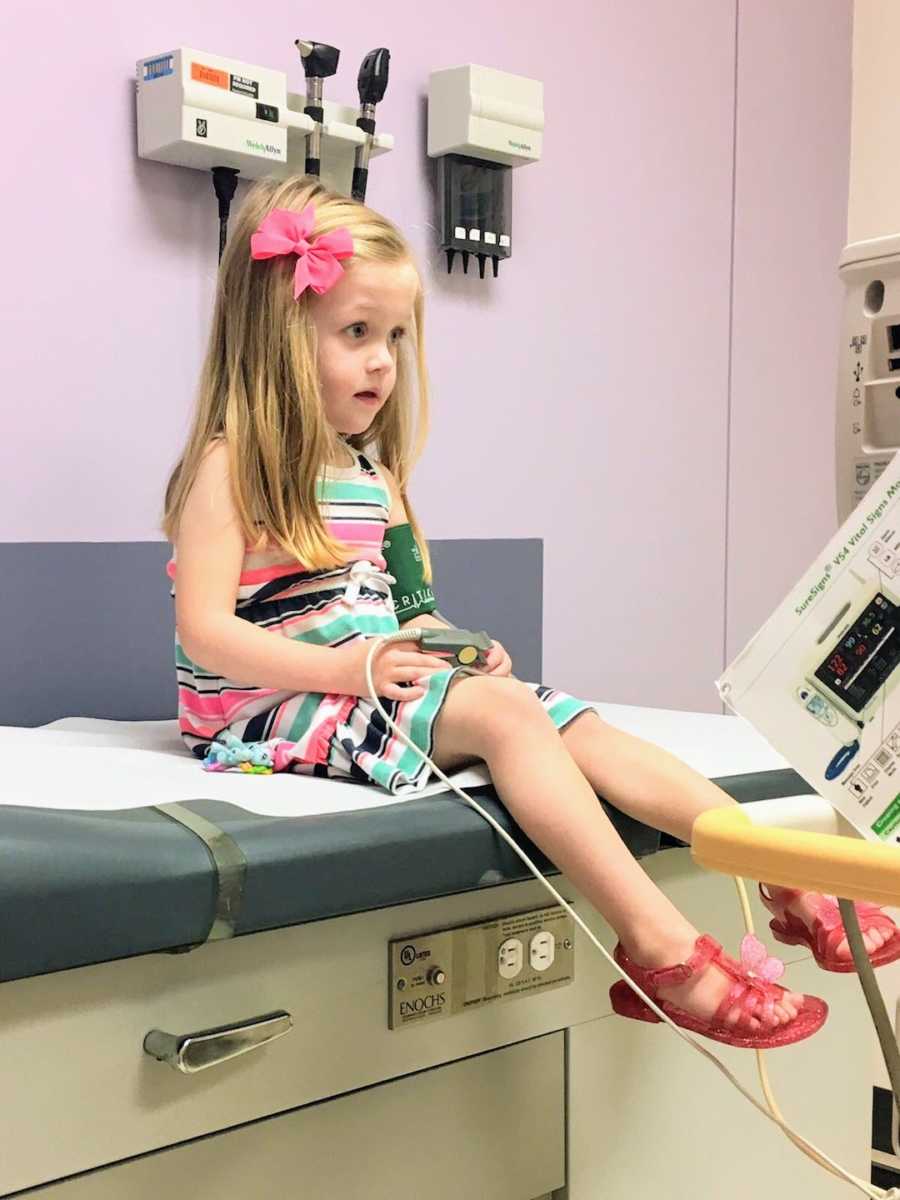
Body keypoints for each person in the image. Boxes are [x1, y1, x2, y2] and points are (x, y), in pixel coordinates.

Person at [162, 175, 900, 1050]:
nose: (383, 362)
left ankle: (782, 871)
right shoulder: (226, 467)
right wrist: (344, 669)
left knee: (572, 721)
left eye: (395, 336)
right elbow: (207, 634)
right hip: (262, 699)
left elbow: (414, 609)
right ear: (279, 339)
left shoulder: (371, 475)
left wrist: (454, 651)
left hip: (364, 673)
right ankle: (663, 950)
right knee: (512, 726)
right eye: (355, 333)